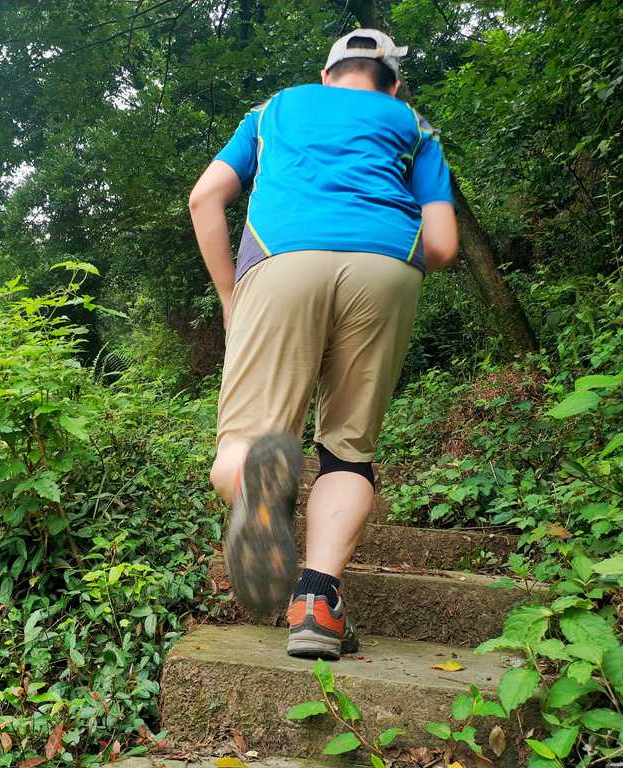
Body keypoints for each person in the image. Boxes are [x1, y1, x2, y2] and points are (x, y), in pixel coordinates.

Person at [187, 29, 458, 660]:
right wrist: (384, 253)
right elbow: (443, 245)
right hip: (385, 267)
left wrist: (233, 297)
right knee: (347, 451)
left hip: (282, 259)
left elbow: (206, 197)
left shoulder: (274, 109)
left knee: (244, 445)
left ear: (329, 73)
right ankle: (316, 600)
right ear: (392, 82)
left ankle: (258, 489)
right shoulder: (413, 125)